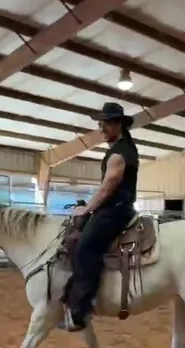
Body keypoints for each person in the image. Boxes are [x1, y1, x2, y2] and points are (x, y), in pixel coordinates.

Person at [59, 102, 141, 331]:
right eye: (100, 124)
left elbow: (107, 188)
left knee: (86, 248)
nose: (101, 128)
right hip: (114, 207)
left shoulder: (120, 153)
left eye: (106, 124)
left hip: (116, 210)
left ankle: (82, 310)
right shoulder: (122, 148)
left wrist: (87, 208)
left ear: (118, 124)